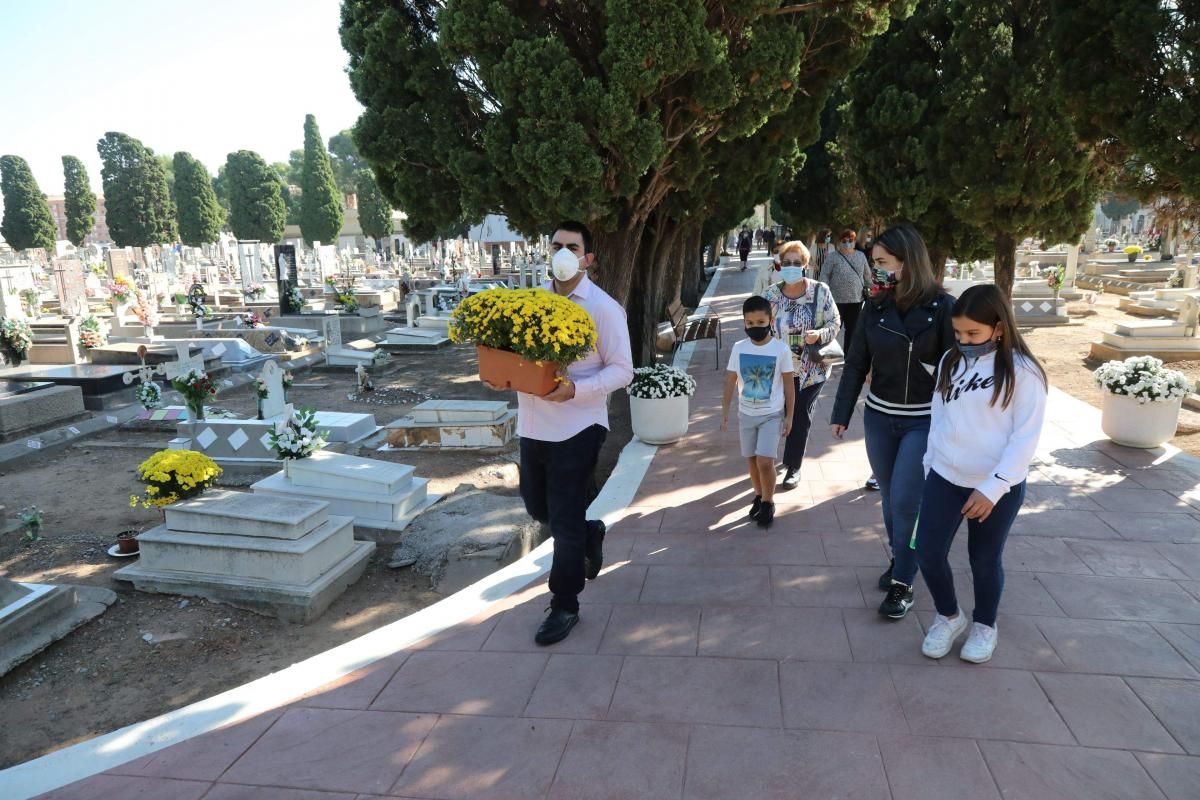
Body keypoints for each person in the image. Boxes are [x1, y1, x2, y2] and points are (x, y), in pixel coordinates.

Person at [488, 221, 633, 646]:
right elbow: (514, 357)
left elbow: (622, 370)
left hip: (579, 426)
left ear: (588, 258)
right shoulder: (529, 305)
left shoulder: (604, 309)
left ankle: (564, 602)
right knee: (538, 508)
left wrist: (576, 390)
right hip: (534, 426)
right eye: (556, 245)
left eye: (573, 246)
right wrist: (502, 376)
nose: (563, 252)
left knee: (564, 521)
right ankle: (591, 533)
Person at [916, 285, 1048, 663]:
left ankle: (985, 625)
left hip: (996, 488)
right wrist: (930, 465)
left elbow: (1025, 437)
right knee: (927, 551)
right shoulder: (950, 362)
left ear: (1000, 327)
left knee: (984, 559)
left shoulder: (1024, 373)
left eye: (973, 334)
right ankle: (948, 616)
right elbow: (938, 418)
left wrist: (993, 487)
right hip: (944, 478)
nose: (964, 341)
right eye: (959, 334)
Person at [830, 224, 955, 620]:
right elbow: (855, 363)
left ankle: (903, 583)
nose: (877, 271)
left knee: (906, 500)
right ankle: (902, 558)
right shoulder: (875, 307)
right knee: (888, 497)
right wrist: (841, 414)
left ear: (908, 261)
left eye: (883, 263)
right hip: (881, 418)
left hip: (923, 421)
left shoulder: (943, 308)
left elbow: (958, 368)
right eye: (874, 263)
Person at [762, 241, 841, 491]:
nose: (792, 267)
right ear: (779, 265)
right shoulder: (771, 295)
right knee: (780, 414)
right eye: (787, 263)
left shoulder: (820, 291)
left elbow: (835, 322)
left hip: (811, 370)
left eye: (797, 263)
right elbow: (760, 327)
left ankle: (793, 467)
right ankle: (773, 458)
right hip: (779, 369)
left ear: (806, 265)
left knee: (800, 416)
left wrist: (819, 334)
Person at [722, 295, 796, 528]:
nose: (756, 327)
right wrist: (724, 411)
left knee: (765, 461)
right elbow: (731, 380)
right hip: (746, 414)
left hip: (771, 415)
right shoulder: (738, 348)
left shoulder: (780, 350)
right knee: (752, 460)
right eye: (750, 323)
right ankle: (758, 495)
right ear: (744, 323)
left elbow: (788, 385)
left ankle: (768, 502)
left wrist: (790, 415)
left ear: (770, 321)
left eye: (761, 322)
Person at [817, 229, 873, 356]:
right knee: (832, 329)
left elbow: (867, 276)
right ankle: (829, 353)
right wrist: (824, 293)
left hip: (856, 301)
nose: (847, 243)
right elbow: (824, 275)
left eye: (850, 240)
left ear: (854, 242)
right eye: (844, 241)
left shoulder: (861, 256)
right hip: (836, 301)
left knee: (852, 331)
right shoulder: (833, 257)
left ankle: (849, 356)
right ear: (840, 242)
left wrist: (873, 290)